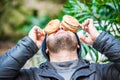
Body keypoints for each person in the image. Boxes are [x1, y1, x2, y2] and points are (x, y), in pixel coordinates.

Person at [0, 18, 120, 80]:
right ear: (46, 48)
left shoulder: (103, 73)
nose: (61, 28)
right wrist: (29, 44)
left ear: (78, 45)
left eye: (67, 29)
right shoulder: (31, 76)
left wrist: (100, 39)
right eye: (55, 29)